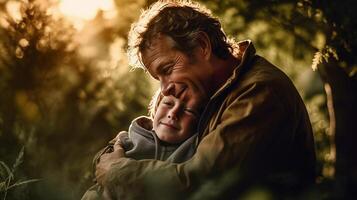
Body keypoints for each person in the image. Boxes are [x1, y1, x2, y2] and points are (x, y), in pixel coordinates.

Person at [95, 1, 316, 199]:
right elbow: (155, 145)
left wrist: (117, 172)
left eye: (168, 69)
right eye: (158, 78)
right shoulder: (210, 93)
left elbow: (200, 182)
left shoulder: (260, 92)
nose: (165, 89)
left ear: (202, 45)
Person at [82, 92, 202, 200]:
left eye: (189, 110)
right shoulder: (125, 141)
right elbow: (98, 177)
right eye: (168, 103)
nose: (173, 113)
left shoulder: (195, 151)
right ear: (156, 108)